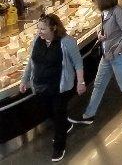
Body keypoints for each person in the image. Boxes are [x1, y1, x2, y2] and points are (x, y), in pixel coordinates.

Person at [69, 0, 122, 129]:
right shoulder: (105, 13)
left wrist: (116, 51)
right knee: (98, 84)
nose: (93, 3)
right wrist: (100, 34)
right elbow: (105, 28)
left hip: (119, 56)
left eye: (94, 0)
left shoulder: (119, 12)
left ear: (102, 0)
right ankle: (88, 115)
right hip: (107, 56)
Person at [19, 14, 85, 162]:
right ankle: (66, 124)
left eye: (42, 28)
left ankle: (59, 146)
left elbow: (78, 63)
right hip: (41, 87)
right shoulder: (37, 41)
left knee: (58, 113)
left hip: (59, 88)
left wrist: (80, 82)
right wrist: (24, 80)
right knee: (47, 111)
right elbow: (31, 62)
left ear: (54, 28)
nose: (39, 32)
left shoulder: (67, 42)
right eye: (38, 28)